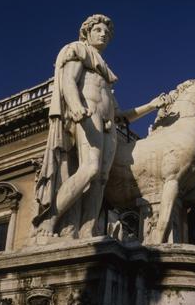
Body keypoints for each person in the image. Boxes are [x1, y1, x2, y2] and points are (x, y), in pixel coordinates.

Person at [32, 14, 166, 238]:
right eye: (98, 30)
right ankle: (50, 219)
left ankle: (86, 231)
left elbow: (121, 115)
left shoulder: (104, 72)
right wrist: (75, 106)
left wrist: (151, 106)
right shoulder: (79, 50)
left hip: (108, 122)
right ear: (87, 32)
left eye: (106, 32)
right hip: (88, 113)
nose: (103, 34)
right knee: (90, 168)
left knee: (101, 180)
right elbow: (68, 81)